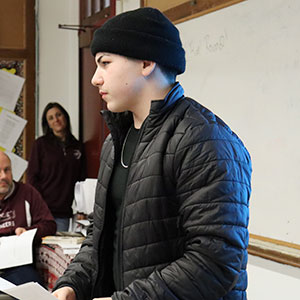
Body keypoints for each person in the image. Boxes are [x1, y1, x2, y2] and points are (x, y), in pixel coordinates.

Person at [52, 7, 252, 300]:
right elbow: (100, 236)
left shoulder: (204, 140)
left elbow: (215, 261)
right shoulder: (114, 142)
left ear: (146, 62)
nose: (96, 78)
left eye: (105, 63)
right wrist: (71, 285)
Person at [27, 102, 86, 232]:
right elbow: (32, 177)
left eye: (58, 115)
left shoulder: (78, 146)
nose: (56, 120)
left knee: (58, 250)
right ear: (47, 123)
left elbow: (81, 181)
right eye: (51, 118)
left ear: (65, 116)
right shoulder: (40, 144)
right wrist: (39, 206)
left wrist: (82, 208)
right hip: (42, 212)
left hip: (63, 213)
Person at [0, 151, 57, 285]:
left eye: (7, 170)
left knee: (35, 291)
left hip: (18, 265)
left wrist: (28, 232)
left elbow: (49, 224)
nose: (3, 176)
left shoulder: (27, 193)